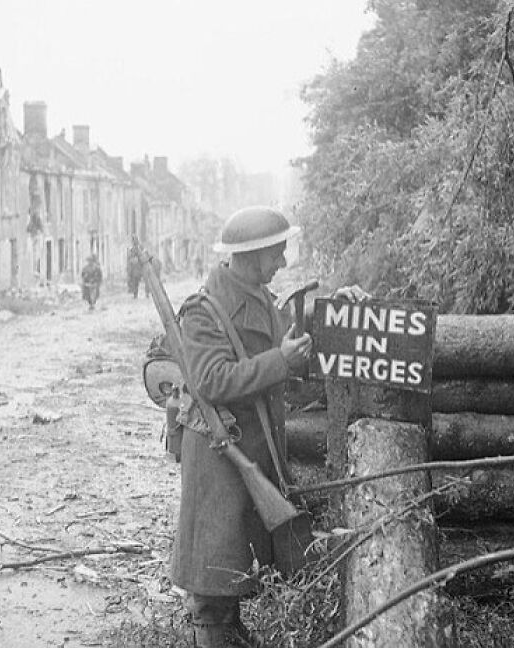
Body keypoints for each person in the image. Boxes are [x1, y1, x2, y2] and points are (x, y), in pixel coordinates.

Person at [171, 206, 364, 647]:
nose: (282, 262)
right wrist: (280, 361)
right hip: (220, 457)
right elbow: (210, 379)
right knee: (214, 571)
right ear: (251, 254)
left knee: (234, 565)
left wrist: (339, 304)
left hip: (251, 450)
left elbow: (288, 328)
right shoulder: (204, 309)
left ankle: (229, 633)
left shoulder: (253, 293)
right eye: (276, 253)